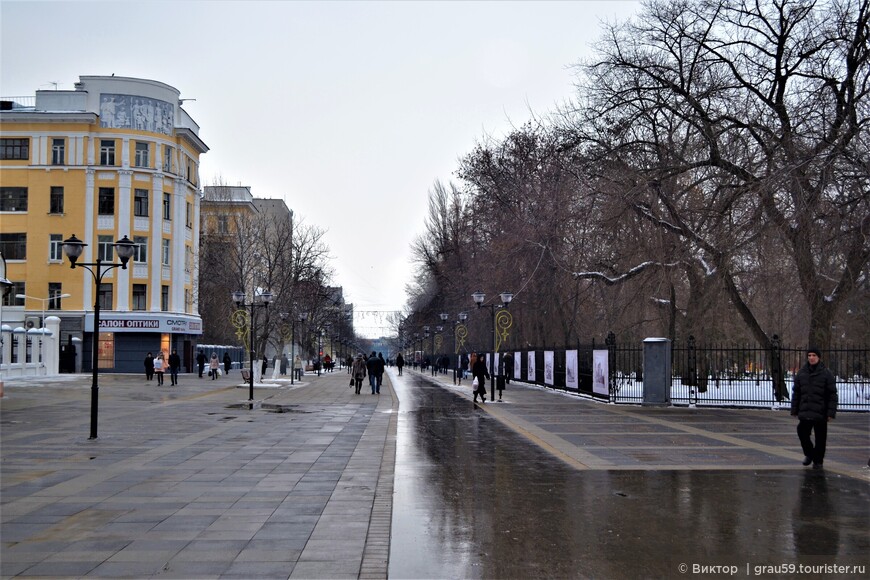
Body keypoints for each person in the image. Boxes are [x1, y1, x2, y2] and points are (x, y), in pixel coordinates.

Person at [791, 347, 838, 469]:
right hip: (805, 410)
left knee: (820, 438)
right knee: (802, 432)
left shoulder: (826, 374)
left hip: (820, 412)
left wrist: (830, 412)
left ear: (819, 357)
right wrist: (794, 409)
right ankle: (809, 454)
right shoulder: (802, 373)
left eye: (814, 355)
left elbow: (832, 394)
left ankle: (818, 461)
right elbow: (796, 393)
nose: (811, 358)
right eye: (809, 355)